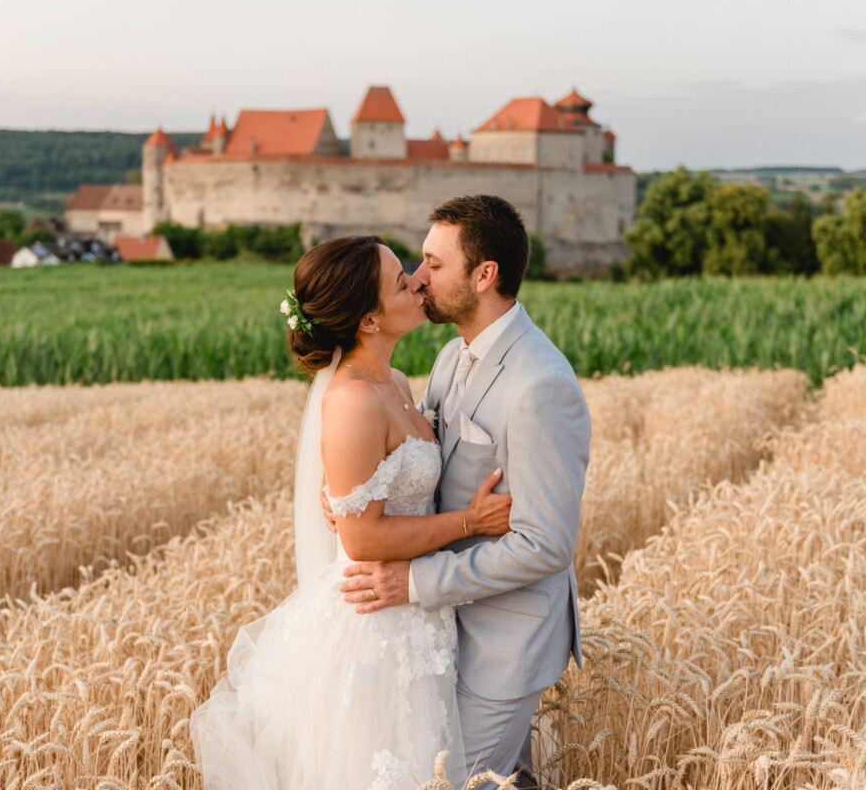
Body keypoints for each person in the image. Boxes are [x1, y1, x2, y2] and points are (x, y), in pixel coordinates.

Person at [190, 234, 514, 790]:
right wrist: (471, 522)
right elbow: (362, 541)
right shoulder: (353, 400)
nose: (418, 282)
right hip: (375, 626)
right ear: (368, 320)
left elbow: (375, 489)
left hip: (418, 615)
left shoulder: (396, 382)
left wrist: (343, 499)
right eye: (401, 283)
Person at [336, 196, 591, 786]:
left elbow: (546, 546)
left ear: (484, 275)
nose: (419, 278)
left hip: (504, 642)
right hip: (440, 635)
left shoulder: (541, 385)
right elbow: (414, 458)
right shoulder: (452, 356)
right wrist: (354, 498)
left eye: (434, 263)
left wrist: (415, 582)